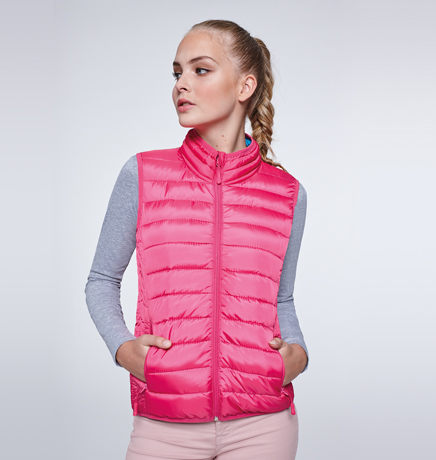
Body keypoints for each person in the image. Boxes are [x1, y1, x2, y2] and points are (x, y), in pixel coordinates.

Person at [85, 19, 309, 460]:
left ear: (245, 86)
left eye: (200, 70)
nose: (181, 85)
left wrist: (298, 355)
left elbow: (281, 299)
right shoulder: (143, 174)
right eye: (177, 73)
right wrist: (124, 350)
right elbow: (101, 280)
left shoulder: (288, 194)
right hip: (165, 424)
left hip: (264, 424)